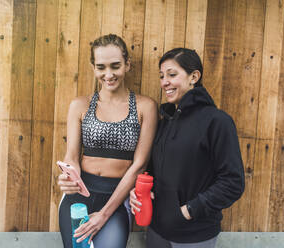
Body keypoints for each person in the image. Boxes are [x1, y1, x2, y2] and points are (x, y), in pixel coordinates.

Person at [130, 48, 245, 248]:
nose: (164, 82)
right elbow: (154, 171)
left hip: (194, 234)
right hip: (157, 230)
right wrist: (140, 192)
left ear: (194, 76)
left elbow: (233, 182)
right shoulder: (165, 122)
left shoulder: (217, 121)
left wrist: (189, 210)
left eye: (172, 75)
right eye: (162, 76)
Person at [58, 34, 158, 248]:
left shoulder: (145, 106)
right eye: (101, 67)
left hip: (117, 198)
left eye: (115, 66)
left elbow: (139, 165)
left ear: (127, 65)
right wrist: (68, 176)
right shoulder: (80, 105)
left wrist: (103, 215)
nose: (109, 74)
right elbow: (72, 156)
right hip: (80, 195)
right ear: (94, 68)